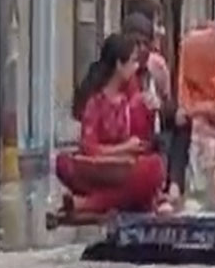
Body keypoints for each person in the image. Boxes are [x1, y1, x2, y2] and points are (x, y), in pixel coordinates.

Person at [54, 34, 166, 219]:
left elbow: (143, 143)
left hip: (126, 169)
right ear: (119, 65)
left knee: (154, 167)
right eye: (132, 62)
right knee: (63, 163)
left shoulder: (132, 99)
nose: (136, 67)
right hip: (101, 168)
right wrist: (122, 149)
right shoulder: (95, 102)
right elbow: (88, 147)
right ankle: (124, 199)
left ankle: (87, 203)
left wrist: (151, 111)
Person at [166, 24, 215, 209]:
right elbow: (182, 113)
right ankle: (175, 188)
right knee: (181, 132)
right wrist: (197, 112)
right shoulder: (186, 82)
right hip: (194, 141)